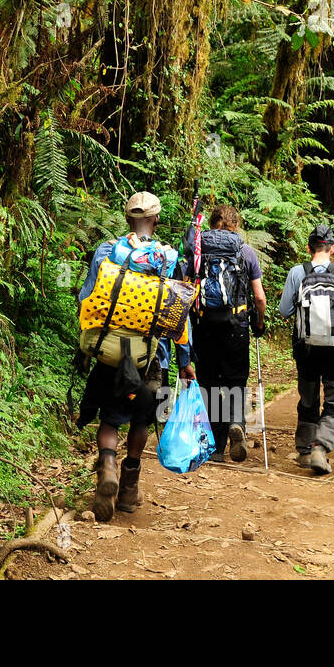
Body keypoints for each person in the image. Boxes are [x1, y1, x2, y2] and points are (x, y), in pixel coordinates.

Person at [75, 191, 193, 521]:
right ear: (156, 220)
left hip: (110, 355)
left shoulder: (106, 252)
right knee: (141, 419)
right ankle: (128, 490)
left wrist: (86, 347)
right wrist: (185, 362)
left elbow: (86, 300)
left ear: (127, 218)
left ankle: (108, 465)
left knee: (110, 418)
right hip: (150, 360)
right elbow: (179, 318)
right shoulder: (169, 260)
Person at [277, 224, 334, 475]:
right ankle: (321, 446)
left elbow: (284, 311)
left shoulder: (297, 273)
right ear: (332, 248)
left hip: (305, 350)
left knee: (308, 399)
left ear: (308, 248)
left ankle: (305, 449)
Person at [185, 205, 266, 463]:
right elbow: (260, 297)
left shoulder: (197, 251)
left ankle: (216, 448)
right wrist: (259, 323)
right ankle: (236, 423)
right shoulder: (246, 252)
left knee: (209, 384)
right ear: (236, 225)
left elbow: (185, 289)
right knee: (235, 381)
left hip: (204, 325)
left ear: (212, 224)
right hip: (236, 326)